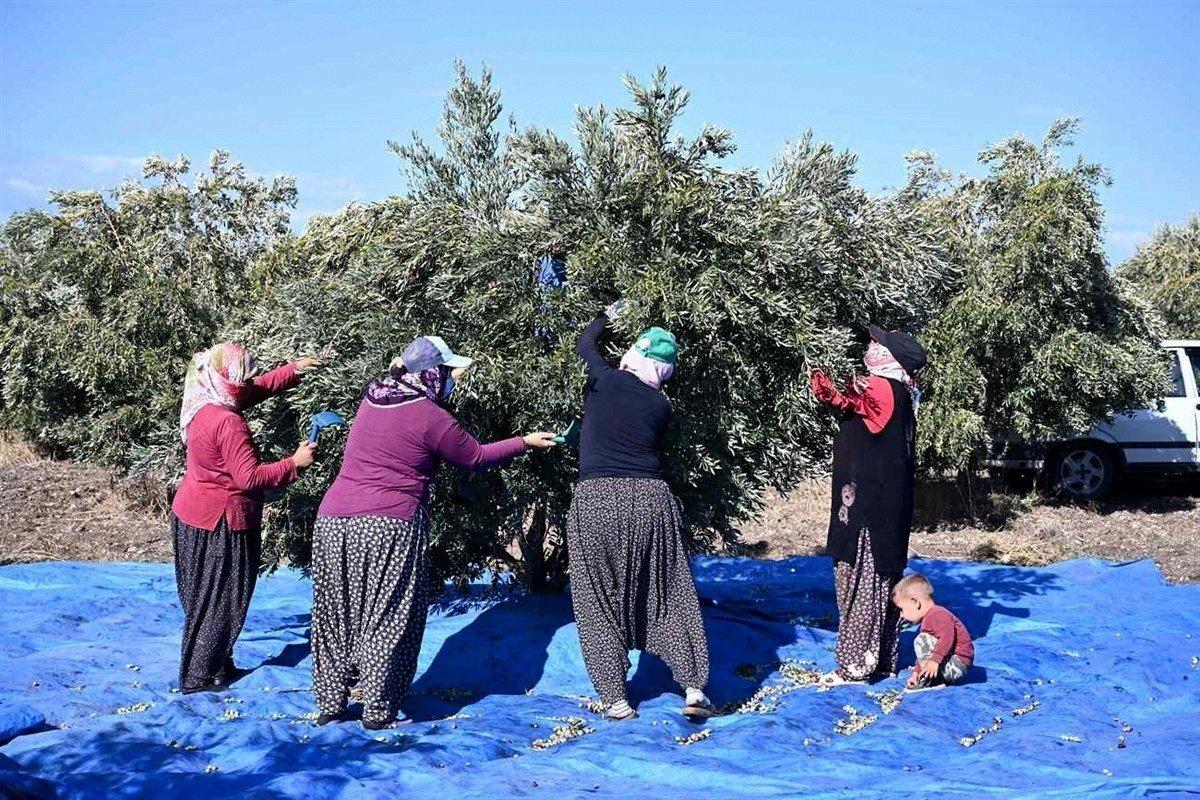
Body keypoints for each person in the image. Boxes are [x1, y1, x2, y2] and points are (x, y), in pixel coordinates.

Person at [310, 335, 557, 729]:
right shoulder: (431, 416)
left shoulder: (374, 395)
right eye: (447, 373)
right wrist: (523, 442)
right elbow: (475, 457)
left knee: (335, 613)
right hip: (388, 524)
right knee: (388, 615)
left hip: (333, 519)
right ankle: (377, 712)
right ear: (433, 373)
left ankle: (329, 704)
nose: (451, 381)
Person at [567, 301, 712, 722]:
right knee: (669, 588)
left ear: (634, 354)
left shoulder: (605, 380)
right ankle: (694, 686)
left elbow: (585, 344)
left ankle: (615, 698)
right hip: (650, 499)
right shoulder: (662, 406)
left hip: (596, 499)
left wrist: (606, 316)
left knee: (598, 597)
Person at [172, 342, 324, 694]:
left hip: (191, 514)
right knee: (221, 603)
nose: (249, 382)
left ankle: (216, 668)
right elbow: (249, 478)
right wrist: (294, 463)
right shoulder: (229, 423)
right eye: (245, 377)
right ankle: (197, 681)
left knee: (203, 600)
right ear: (231, 380)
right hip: (222, 523)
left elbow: (255, 389)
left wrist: (296, 369)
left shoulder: (203, 396)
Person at [810, 325, 926, 686]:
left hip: (868, 512)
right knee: (877, 581)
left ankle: (854, 664)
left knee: (862, 583)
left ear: (891, 358)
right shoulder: (901, 390)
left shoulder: (881, 387)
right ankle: (879, 658)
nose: (871, 345)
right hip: (884, 507)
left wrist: (820, 377)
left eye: (878, 343)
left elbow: (845, 399)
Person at [891, 573, 974, 691]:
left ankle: (932, 680)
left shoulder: (937, 614)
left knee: (921, 640)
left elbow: (947, 637)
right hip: (952, 664)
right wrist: (916, 673)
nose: (901, 615)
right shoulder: (929, 617)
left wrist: (935, 661)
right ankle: (928, 677)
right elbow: (924, 653)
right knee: (922, 640)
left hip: (957, 665)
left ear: (915, 602)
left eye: (901, 609)